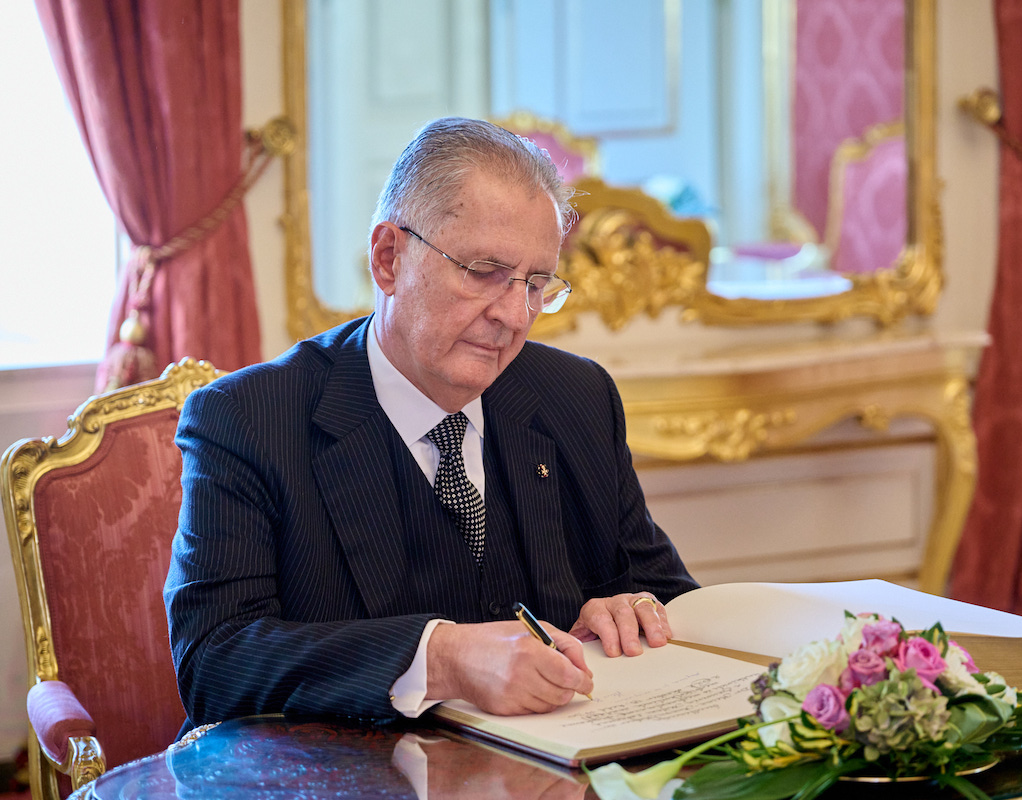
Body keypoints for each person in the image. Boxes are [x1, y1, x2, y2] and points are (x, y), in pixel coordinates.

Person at [164, 117, 698, 730]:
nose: (513, 315)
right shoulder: (248, 420)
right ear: (389, 259)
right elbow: (214, 664)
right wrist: (438, 657)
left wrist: (633, 613)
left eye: (537, 284)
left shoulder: (575, 396)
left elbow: (669, 598)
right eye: (482, 272)